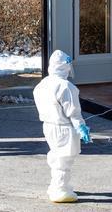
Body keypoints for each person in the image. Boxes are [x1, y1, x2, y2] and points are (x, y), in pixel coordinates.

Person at [33, 50, 92, 203]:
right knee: (64, 159)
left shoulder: (43, 83)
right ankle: (61, 189)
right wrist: (81, 127)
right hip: (64, 128)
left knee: (56, 155)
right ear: (65, 66)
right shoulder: (66, 87)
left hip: (49, 126)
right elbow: (73, 112)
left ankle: (55, 185)